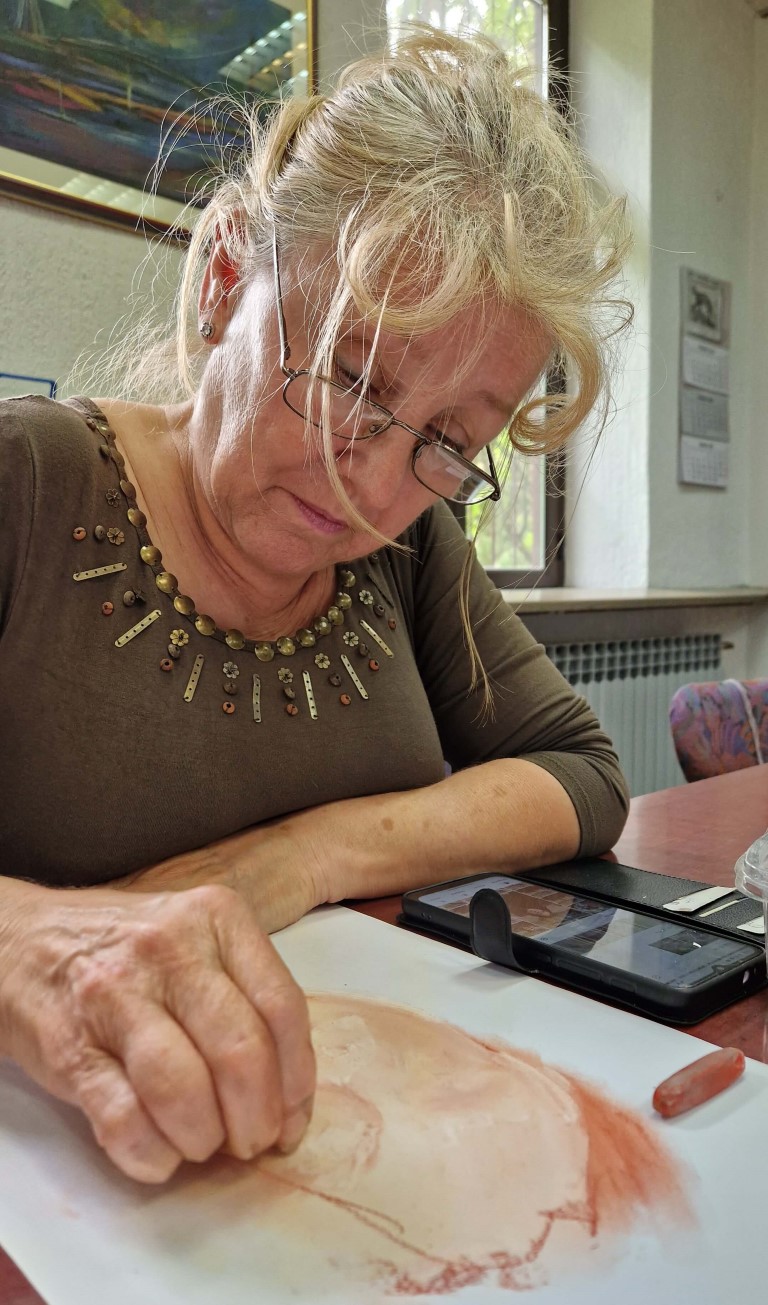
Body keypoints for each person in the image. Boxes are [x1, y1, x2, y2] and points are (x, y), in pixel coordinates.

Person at [0, 27, 631, 1185]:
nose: (373, 490)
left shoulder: (411, 549)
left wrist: (293, 859)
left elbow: (581, 777)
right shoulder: (28, 482)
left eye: (449, 441)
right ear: (228, 279)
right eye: (351, 376)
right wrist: (32, 948)